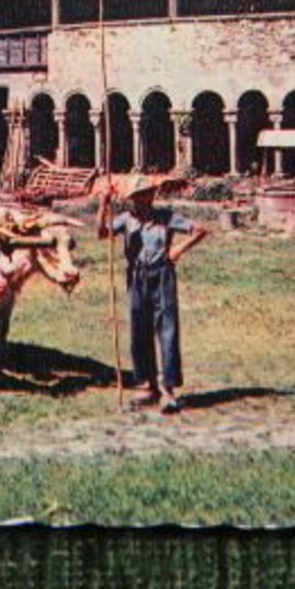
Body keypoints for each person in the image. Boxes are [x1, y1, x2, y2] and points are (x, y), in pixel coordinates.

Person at [98, 175, 210, 413]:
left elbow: (200, 230)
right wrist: (103, 204)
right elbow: (101, 234)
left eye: (144, 195)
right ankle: (146, 385)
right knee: (140, 329)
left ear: (152, 196)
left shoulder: (166, 217)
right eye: (136, 197)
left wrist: (178, 249)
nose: (140, 200)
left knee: (166, 329)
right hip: (136, 278)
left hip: (162, 276)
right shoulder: (126, 220)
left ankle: (168, 389)